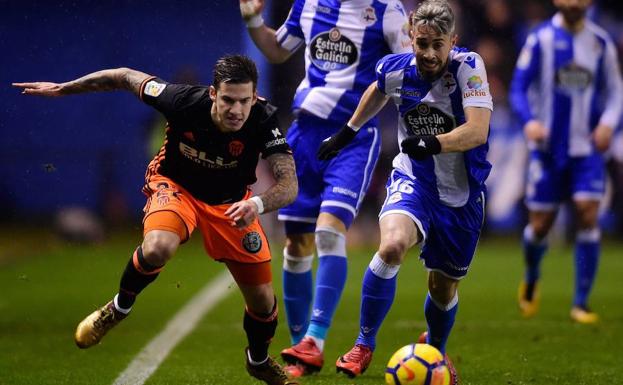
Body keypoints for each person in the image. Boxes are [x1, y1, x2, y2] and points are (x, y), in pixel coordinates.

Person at [13, 55, 300, 385]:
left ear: (254, 97)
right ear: (212, 94)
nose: (236, 110)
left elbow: (289, 183)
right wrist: (64, 89)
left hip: (232, 205)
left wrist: (260, 204)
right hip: (176, 186)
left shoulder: (264, 119)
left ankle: (259, 361)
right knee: (158, 247)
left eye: (244, 101)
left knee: (263, 301)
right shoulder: (179, 100)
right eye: (228, 100)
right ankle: (118, 308)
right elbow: (122, 75)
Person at [317, 1, 493, 383]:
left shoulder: (469, 69)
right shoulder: (395, 69)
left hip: (461, 196)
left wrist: (433, 143)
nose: (429, 54)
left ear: (453, 42)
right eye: (422, 43)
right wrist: (348, 131)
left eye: (438, 45)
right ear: (411, 35)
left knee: (443, 287)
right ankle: (363, 344)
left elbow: (477, 131)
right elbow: (377, 90)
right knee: (392, 246)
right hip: (413, 181)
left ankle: (436, 351)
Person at [239, 0, 411, 377]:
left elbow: (411, 69)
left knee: (329, 232)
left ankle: (315, 339)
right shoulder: (309, 4)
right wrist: (253, 19)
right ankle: (300, 348)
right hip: (303, 134)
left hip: (351, 136)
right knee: (296, 243)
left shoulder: (387, 10)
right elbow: (276, 48)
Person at [510, 0, 622, 323]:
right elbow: (518, 88)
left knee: (588, 215)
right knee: (540, 225)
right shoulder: (539, 38)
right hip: (547, 150)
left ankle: (581, 303)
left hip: (586, 150)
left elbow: (616, 91)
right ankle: (532, 275)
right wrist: (528, 120)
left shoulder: (600, 42)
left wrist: (608, 124)